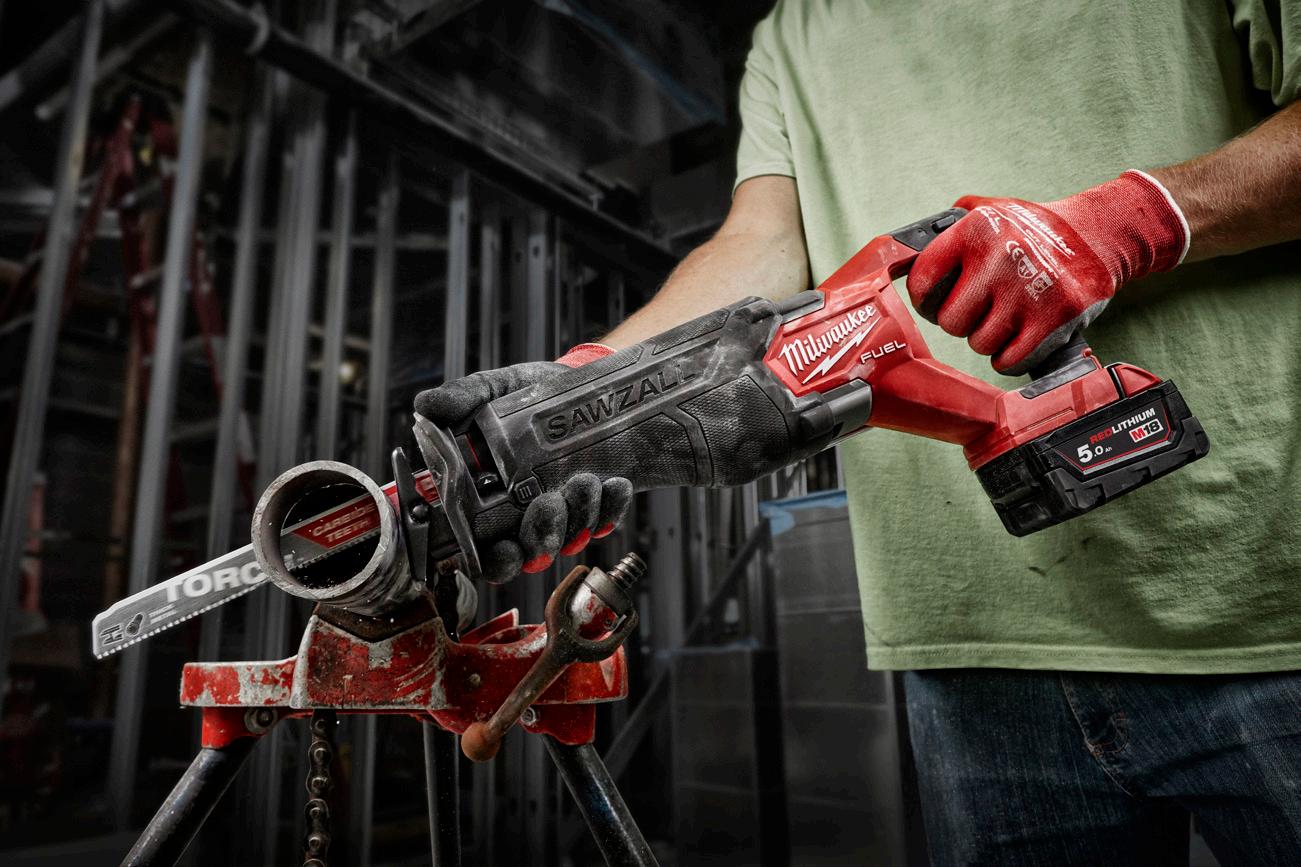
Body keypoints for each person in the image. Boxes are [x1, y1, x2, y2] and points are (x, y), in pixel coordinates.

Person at [417, 3, 1301, 863]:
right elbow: (761, 247)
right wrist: (578, 391)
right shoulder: (794, 28)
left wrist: (1126, 223)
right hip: (963, 642)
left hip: (1258, 602)